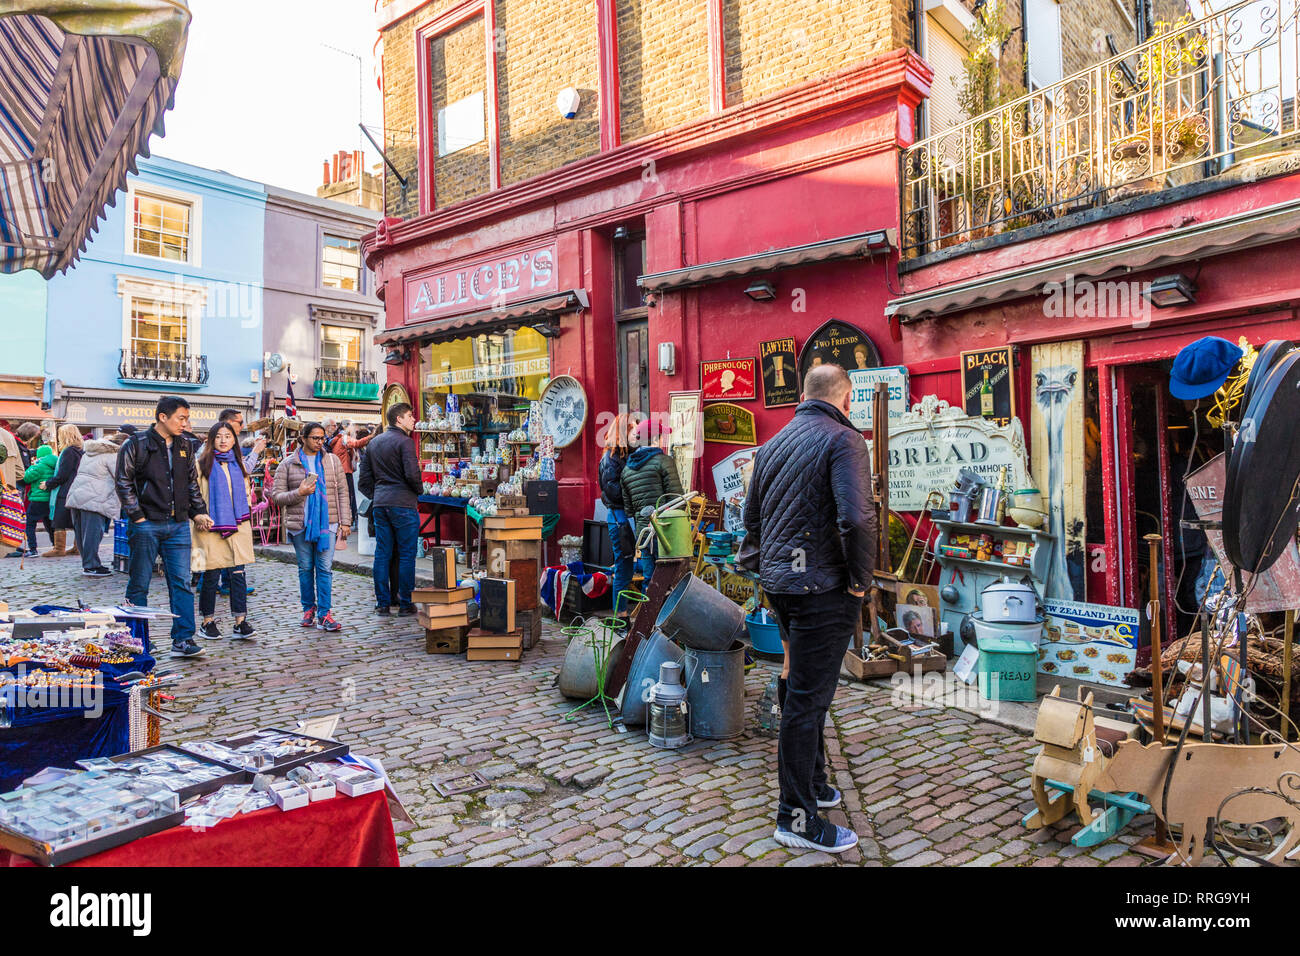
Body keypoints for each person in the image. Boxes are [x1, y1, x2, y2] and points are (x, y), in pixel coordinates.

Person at [741, 364, 877, 855]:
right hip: (822, 589)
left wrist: (769, 571)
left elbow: (750, 520)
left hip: (783, 586)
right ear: (846, 399)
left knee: (800, 687)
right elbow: (857, 519)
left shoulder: (772, 445)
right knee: (807, 700)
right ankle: (795, 819)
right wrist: (860, 583)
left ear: (802, 396)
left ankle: (815, 783)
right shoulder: (845, 439)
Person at [115, 396, 214, 658]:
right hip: (146, 524)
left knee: (181, 582)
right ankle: (137, 640)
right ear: (162, 417)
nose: (185, 423)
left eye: (187, 418)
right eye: (181, 418)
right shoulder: (136, 443)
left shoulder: (185, 445)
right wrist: (137, 516)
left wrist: (198, 512)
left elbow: (191, 483)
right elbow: (123, 482)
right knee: (139, 583)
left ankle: (183, 639)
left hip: (178, 524)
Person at [271, 421, 350, 631]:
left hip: (328, 523)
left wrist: (346, 522)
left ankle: (325, 613)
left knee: (324, 568)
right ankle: (308, 609)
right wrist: (300, 493)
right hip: (300, 524)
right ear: (303, 439)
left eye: (322, 438)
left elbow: (342, 492)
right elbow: (276, 496)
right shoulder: (288, 464)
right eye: (315, 438)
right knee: (305, 568)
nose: (319, 442)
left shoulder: (332, 461)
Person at [194, 421, 257, 639]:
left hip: (238, 526)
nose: (223, 441)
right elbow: (195, 494)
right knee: (210, 573)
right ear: (211, 440)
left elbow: (246, 494)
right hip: (209, 526)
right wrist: (199, 515)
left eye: (228, 436)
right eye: (219, 436)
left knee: (238, 574)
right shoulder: (201, 465)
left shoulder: (239, 465)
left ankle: (240, 621)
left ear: (234, 440)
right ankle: (207, 622)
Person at [358, 403, 422, 616]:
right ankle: (406, 603)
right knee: (406, 554)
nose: (413, 419)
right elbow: (412, 474)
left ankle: (383, 603)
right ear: (398, 419)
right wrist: (418, 491)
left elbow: (363, 481)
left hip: (381, 503)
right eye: (410, 416)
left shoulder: (374, 442)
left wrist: (377, 495)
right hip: (403, 503)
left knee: (382, 554)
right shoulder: (405, 442)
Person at [620, 417, 684, 593]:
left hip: (644, 533)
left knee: (650, 580)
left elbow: (629, 509)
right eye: (661, 436)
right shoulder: (664, 461)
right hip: (667, 530)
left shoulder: (626, 470)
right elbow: (678, 500)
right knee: (671, 580)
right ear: (655, 439)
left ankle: (648, 611)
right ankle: (668, 611)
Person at [65, 430, 128, 576]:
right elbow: (121, 477)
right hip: (96, 497)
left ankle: (88, 564)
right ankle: (92, 565)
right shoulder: (113, 455)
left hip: (78, 494)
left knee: (81, 533)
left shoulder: (90, 452)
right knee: (93, 534)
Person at [598, 413, 634, 613]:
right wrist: (634, 492)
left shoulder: (622, 456)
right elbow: (613, 490)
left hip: (623, 516)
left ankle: (623, 614)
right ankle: (620, 616)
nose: (636, 434)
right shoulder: (611, 458)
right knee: (623, 566)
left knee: (627, 565)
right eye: (632, 429)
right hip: (619, 517)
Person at [43, 423, 84, 557]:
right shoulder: (81, 451)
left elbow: (62, 475)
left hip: (65, 490)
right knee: (75, 520)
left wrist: (48, 483)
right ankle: (77, 547)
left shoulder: (68, 452)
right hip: (77, 488)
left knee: (59, 520)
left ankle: (59, 549)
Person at [328, 421, 373, 527]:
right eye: (352, 426)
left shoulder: (339, 438)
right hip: (345, 470)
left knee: (346, 496)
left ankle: (349, 519)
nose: (354, 429)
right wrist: (371, 437)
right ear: (345, 427)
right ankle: (350, 520)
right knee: (348, 496)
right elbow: (357, 443)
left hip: (342, 469)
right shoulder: (344, 438)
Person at [19, 441, 56, 557]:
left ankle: (33, 549)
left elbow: (26, 478)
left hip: (38, 499)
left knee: (30, 523)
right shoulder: (55, 465)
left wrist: (32, 466)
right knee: (49, 524)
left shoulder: (39, 466)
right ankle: (56, 545)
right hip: (50, 499)